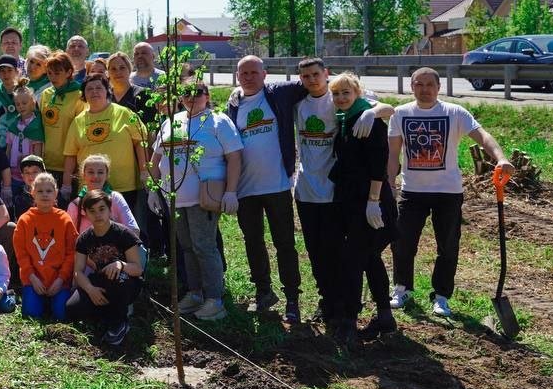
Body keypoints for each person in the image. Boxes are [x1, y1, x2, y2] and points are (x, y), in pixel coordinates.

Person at [387, 67, 513, 317]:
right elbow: (392, 154)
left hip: (448, 192)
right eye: (419, 85)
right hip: (412, 191)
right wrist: (390, 183)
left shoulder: (454, 112)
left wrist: (500, 158)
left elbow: (483, 136)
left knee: (448, 245)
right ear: (412, 87)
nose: (424, 90)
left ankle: (441, 296)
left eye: (429, 85)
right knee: (402, 242)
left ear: (438, 87)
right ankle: (402, 288)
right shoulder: (400, 114)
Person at [293, 57, 391, 321]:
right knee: (317, 251)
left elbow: (388, 109)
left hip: (342, 194)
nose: (312, 80)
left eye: (316, 74)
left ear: (326, 74)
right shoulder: (299, 102)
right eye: (306, 76)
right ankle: (329, 301)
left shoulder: (351, 102)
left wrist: (373, 112)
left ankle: (349, 309)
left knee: (347, 253)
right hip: (308, 190)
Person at [226, 55, 309, 323]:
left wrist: (371, 106)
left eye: (253, 72)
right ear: (238, 76)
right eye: (243, 73)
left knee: (284, 242)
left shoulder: (279, 94)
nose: (248, 77)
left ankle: (292, 299)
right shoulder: (233, 105)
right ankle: (263, 292)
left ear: (265, 73)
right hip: (245, 188)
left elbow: (317, 82)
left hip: (277, 185)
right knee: (253, 242)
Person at [149, 81, 242, 321]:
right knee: (187, 247)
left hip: (203, 197)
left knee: (204, 246)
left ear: (207, 95)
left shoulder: (218, 121)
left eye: (197, 93)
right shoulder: (172, 121)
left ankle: (215, 299)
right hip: (175, 198)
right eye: (185, 93)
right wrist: (153, 189)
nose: (191, 97)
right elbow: (157, 157)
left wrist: (231, 191)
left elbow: (234, 157)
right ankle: (195, 293)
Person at [327, 72, 399, 346]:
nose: (341, 98)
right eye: (336, 94)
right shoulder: (345, 120)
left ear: (357, 93)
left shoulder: (369, 120)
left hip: (371, 202)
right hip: (350, 200)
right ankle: (384, 316)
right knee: (369, 258)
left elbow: (378, 164)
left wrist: (373, 201)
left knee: (354, 260)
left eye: (346, 92)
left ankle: (348, 322)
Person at [67, 190, 145, 346]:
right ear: (86, 214)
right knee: (72, 308)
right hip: (101, 280)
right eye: (92, 211)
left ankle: (119, 323)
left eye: (102, 209)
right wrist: (90, 289)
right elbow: (78, 271)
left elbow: (138, 269)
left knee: (119, 280)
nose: (98, 214)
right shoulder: (84, 238)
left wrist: (121, 264)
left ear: (110, 209)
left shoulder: (123, 233)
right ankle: (106, 314)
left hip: (126, 281)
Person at [61, 74, 149, 213]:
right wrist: (66, 184)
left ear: (107, 90)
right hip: (90, 187)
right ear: (84, 94)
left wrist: (145, 171)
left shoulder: (125, 113)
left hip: (124, 186)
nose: (94, 92)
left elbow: (141, 142)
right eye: (89, 89)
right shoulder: (78, 121)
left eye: (98, 88)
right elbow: (70, 155)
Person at [14, 172, 77, 321]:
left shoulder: (64, 219)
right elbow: (21, 254)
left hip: (59, 281)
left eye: (49, 191)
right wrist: (32, 278)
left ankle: (53, 301)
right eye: (40, 191)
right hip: (34, 279)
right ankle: (40, 300)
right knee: (31, 315)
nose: (44, 195)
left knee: (62, 315)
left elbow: (71, 252)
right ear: (32, 193)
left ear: (56, 193)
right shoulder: (24, 220)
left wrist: (61, 279)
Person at [38, 51, 86, 202]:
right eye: (50, 73)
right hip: (47, 162)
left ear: (69, 72)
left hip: (69, 166)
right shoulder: (46, 94)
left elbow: (80, 132)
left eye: (58, 73)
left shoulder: (80, 95)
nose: (53, 77)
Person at [65, 154, 140, 235]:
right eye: (91, 172)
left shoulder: (115, 198)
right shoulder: (75, 205)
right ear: (83, 175)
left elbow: (133, 229)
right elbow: (67, 236)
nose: (96, 176)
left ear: (107, 175)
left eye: (100, 172)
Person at [0, 85, 44, 181]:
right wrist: (6, 169)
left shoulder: (36, 125)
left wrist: (37, 171)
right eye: (17, 104)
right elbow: (8, 149)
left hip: (31, 173)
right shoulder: (14, 125)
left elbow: (38, 153)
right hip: (14, 172)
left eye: (24, 103)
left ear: (32, 102)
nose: (21, 106)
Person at [10, 155, 45, 224]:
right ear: (22, 176)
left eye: (35, 172)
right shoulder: (17, 196)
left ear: (43, 173)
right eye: (27, 172)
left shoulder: (51, 194)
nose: (31, 176)